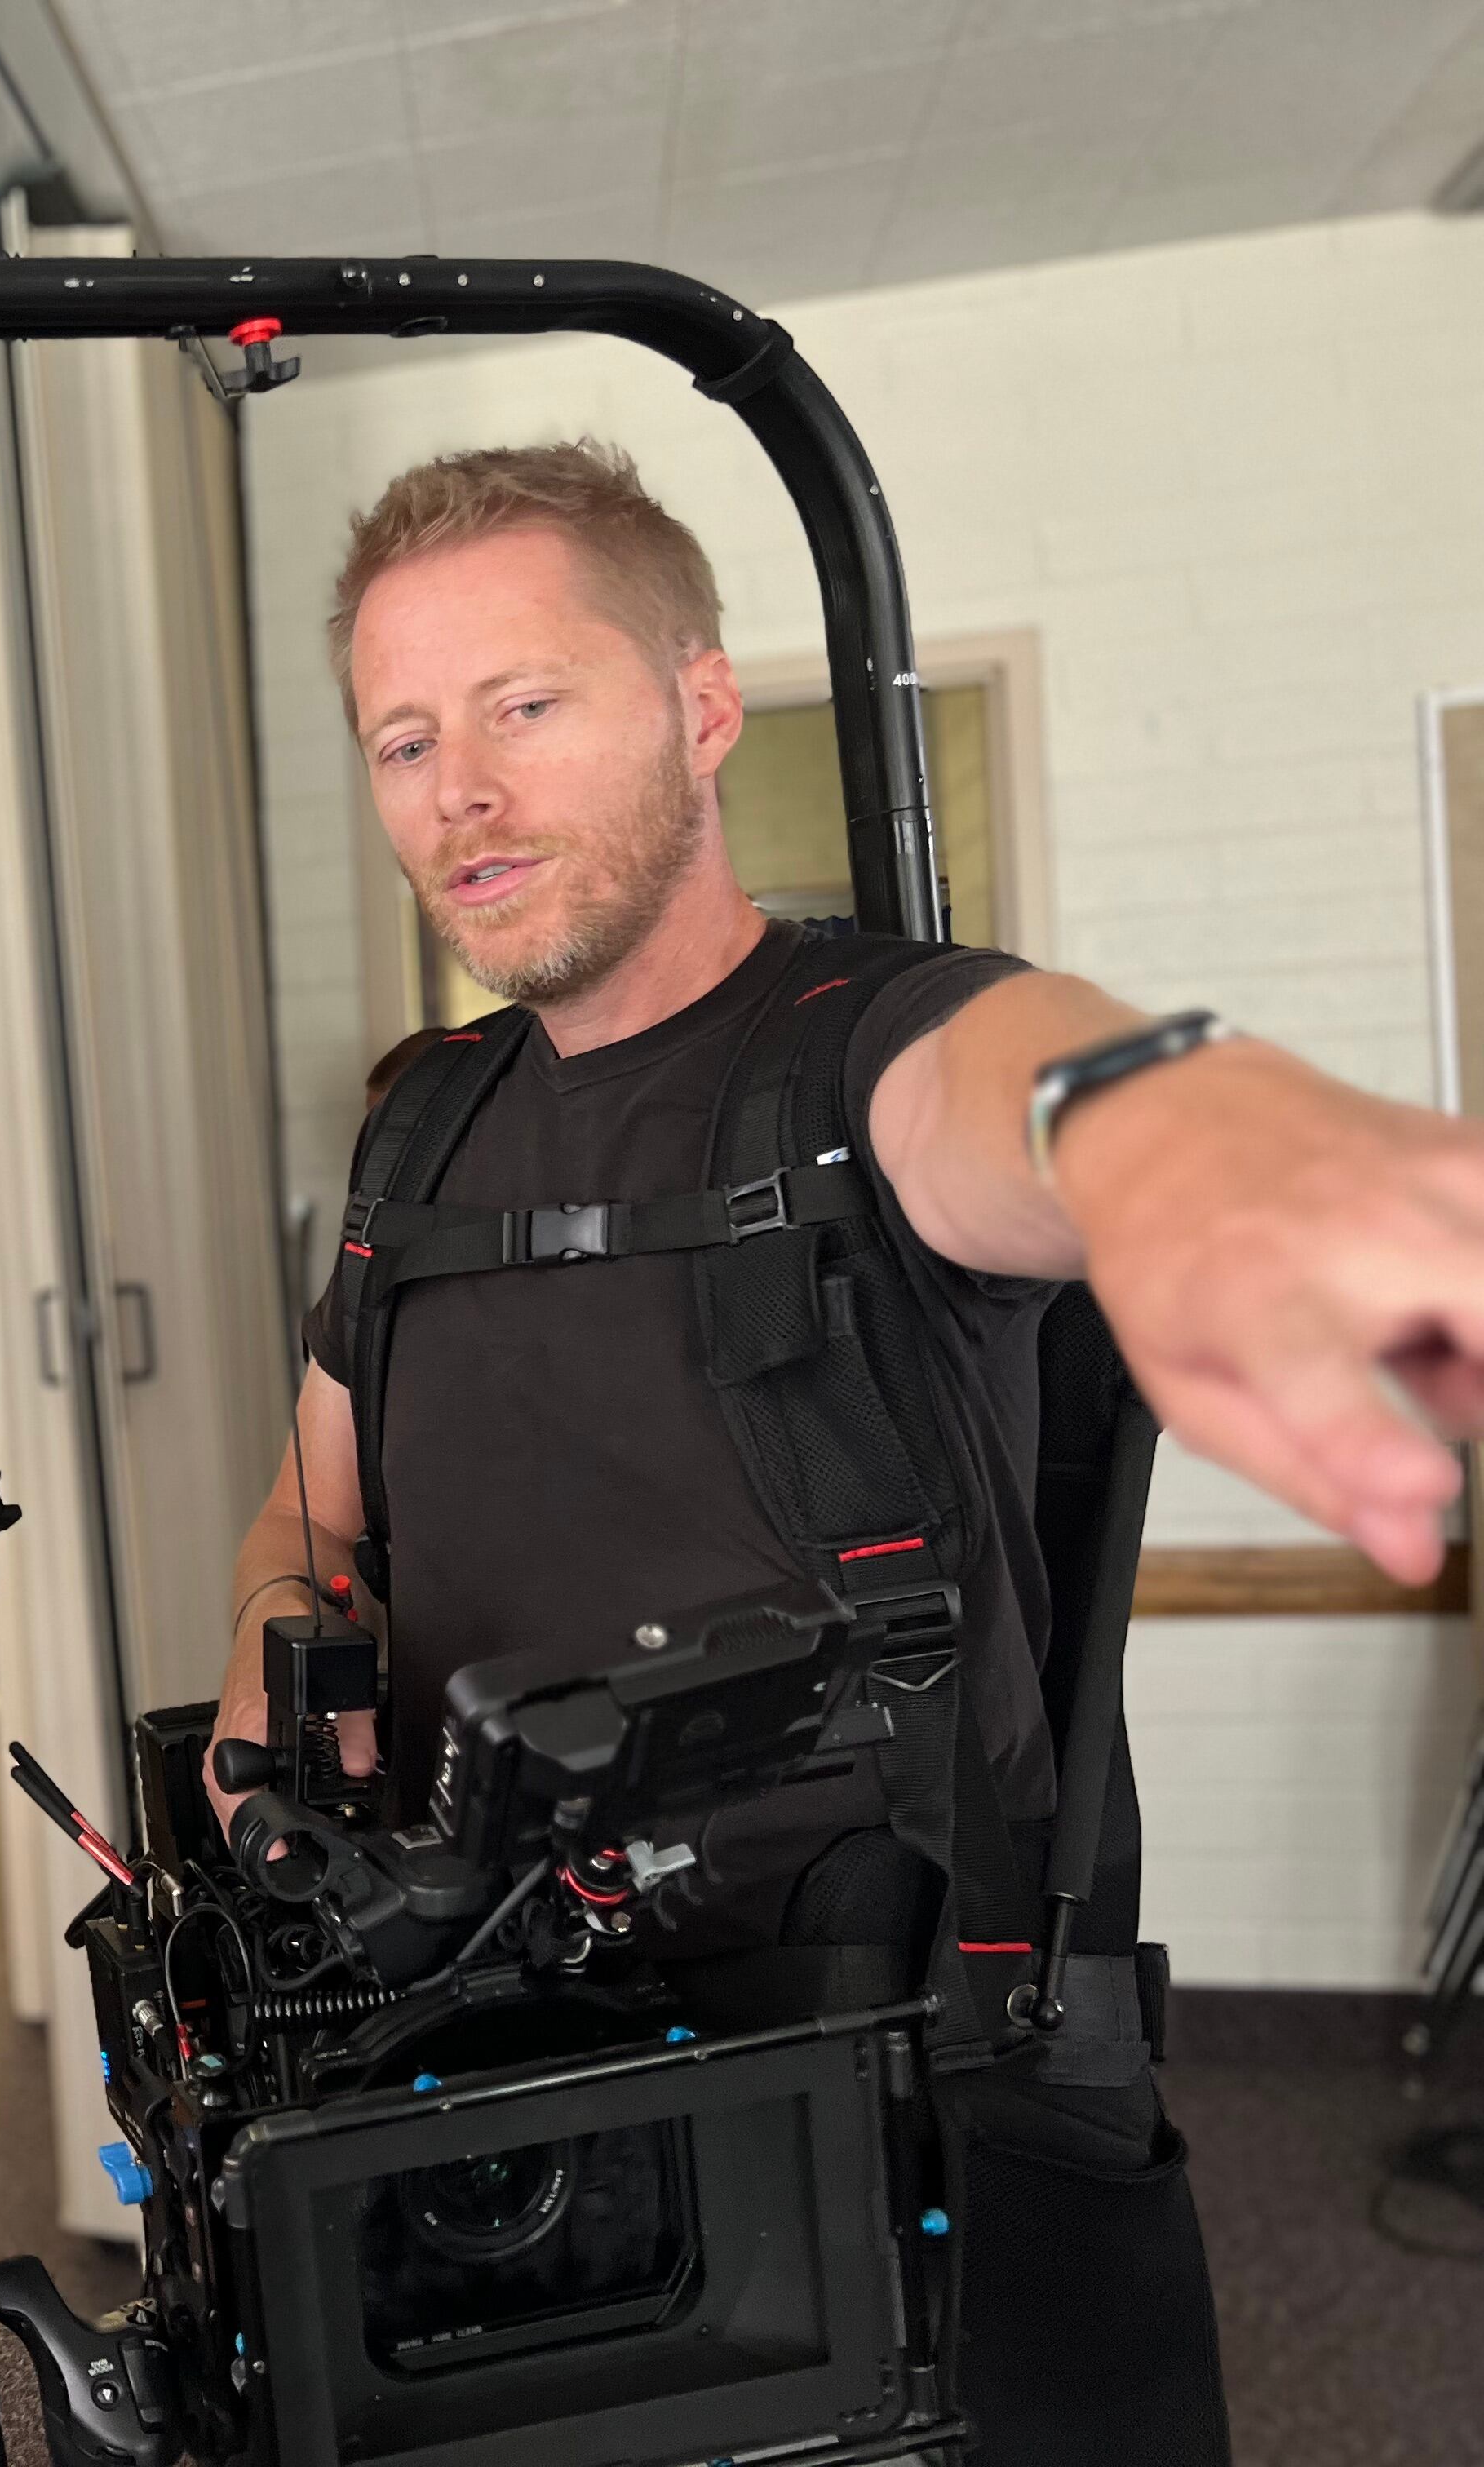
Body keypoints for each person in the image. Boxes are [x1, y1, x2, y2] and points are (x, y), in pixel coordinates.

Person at [208, 436, 1484, 2462]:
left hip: (902, 2075)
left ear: (702, 706)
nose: (459, 791)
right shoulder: (417, 1130)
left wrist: (1183, 1130)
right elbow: (314, 1500)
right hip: (509, 2072)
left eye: (527, 706)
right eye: (402, 738)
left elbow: (1033, 1084)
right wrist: (276, 1660)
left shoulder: (867, 1046)